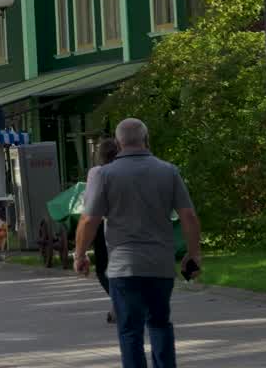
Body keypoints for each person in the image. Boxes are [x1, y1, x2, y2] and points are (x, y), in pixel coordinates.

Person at [76, 119, 201, 368]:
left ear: (118, 141)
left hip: (124, 267)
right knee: (160, 323)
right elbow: (188, 216)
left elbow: (90, 219)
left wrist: (80, 254)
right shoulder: (168, 171)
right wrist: (193, 253)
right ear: (146, 138)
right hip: (160, 264)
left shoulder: (105, 174)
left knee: (130, 329)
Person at [87, 137, 121, 323]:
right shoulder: (128, 169)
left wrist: (80, 251)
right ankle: (120, 305)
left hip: (103, 223)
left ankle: (119, 304)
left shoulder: (97, 172)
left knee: (103, 268)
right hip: (132, 224)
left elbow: (90, 205)